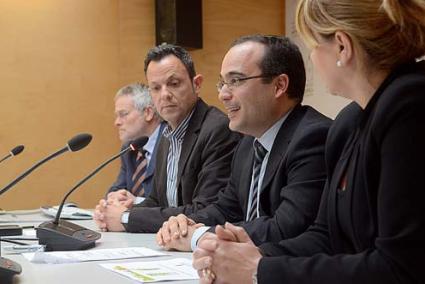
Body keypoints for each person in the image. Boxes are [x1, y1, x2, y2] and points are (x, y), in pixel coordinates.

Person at [193, 0, 425, 283]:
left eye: (314, 46)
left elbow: (401, 266)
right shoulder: (349, 121)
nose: (312, 58)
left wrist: (258, 271)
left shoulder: (410, 107)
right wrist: (250, 256)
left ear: (342, 46)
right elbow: (325, 236)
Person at [156, 35, 332, 252]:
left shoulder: (312, 138)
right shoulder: (248, 143)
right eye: (222, 83)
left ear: (279, 85)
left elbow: (287, 227)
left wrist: (199, 236)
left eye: (236, 81)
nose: (223, 94)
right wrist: (183, 224)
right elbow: (225, 209)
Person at [94, 44, 241, 233]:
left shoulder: (217, 130)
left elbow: (205, 210)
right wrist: (116, 212)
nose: (164, 95)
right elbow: (157, 201)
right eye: (155, 88)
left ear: (196, 84)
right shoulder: (166, 134)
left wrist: (127, 218)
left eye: (174, 84)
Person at [106, 83, 165, 205]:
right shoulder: (129, 148)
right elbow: (118, 188)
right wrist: (112, 199)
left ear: (148, 113)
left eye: (123, 114)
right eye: (116, 116)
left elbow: (173, 203)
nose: (117, 122)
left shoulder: (171, 143)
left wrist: (136, 202)